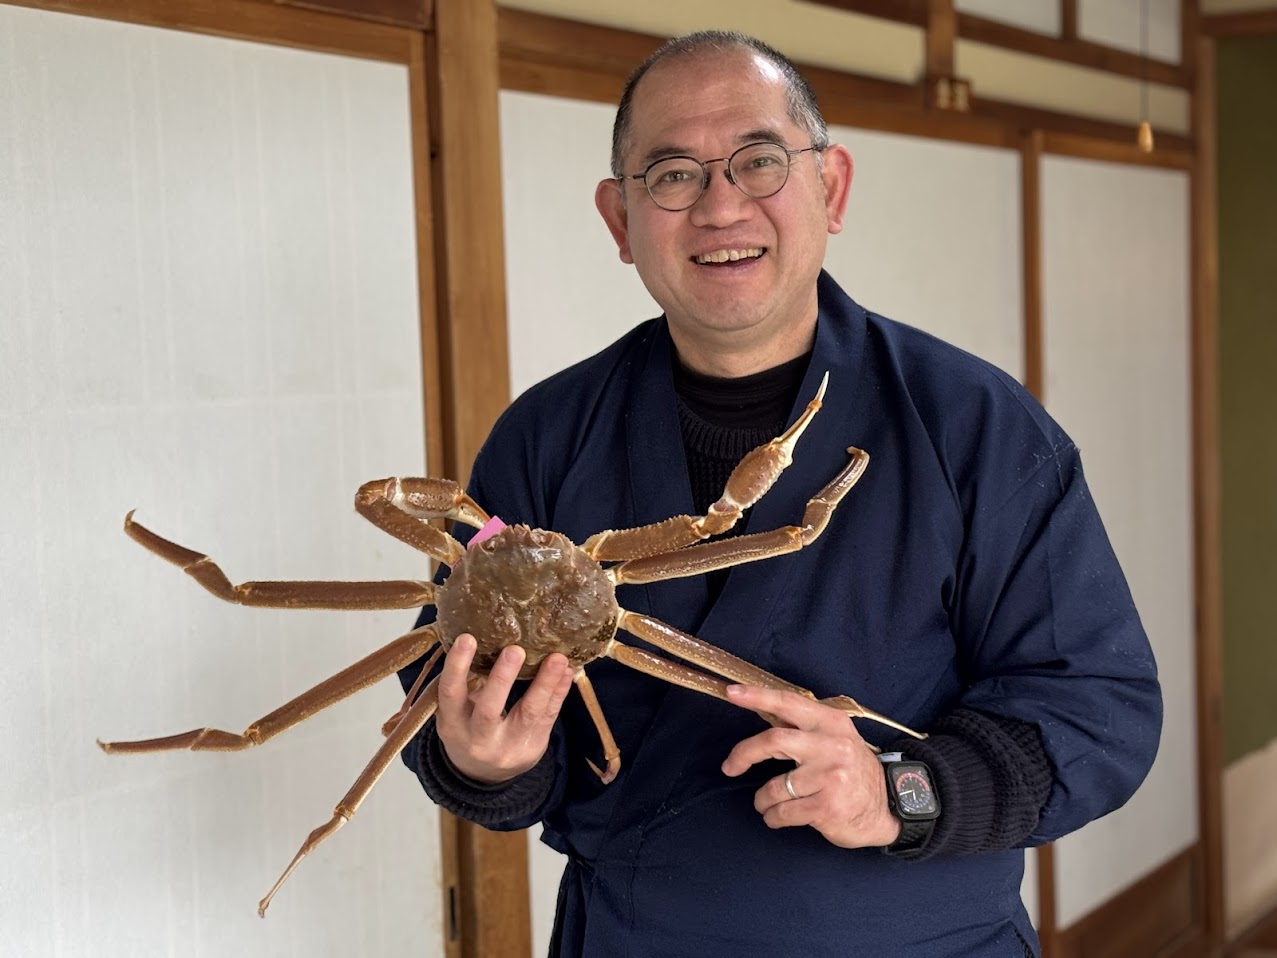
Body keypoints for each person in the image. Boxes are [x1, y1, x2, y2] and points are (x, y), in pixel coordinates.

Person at [397, 30, 1162, 958]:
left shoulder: (975, 425)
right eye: (671, 174)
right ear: (619, 220)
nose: (720, 206)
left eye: (758, 162)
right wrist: (481, 763)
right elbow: (459, 676)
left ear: (830, 188)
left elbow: (1098, 709)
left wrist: (899, 790)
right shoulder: (546, 437)